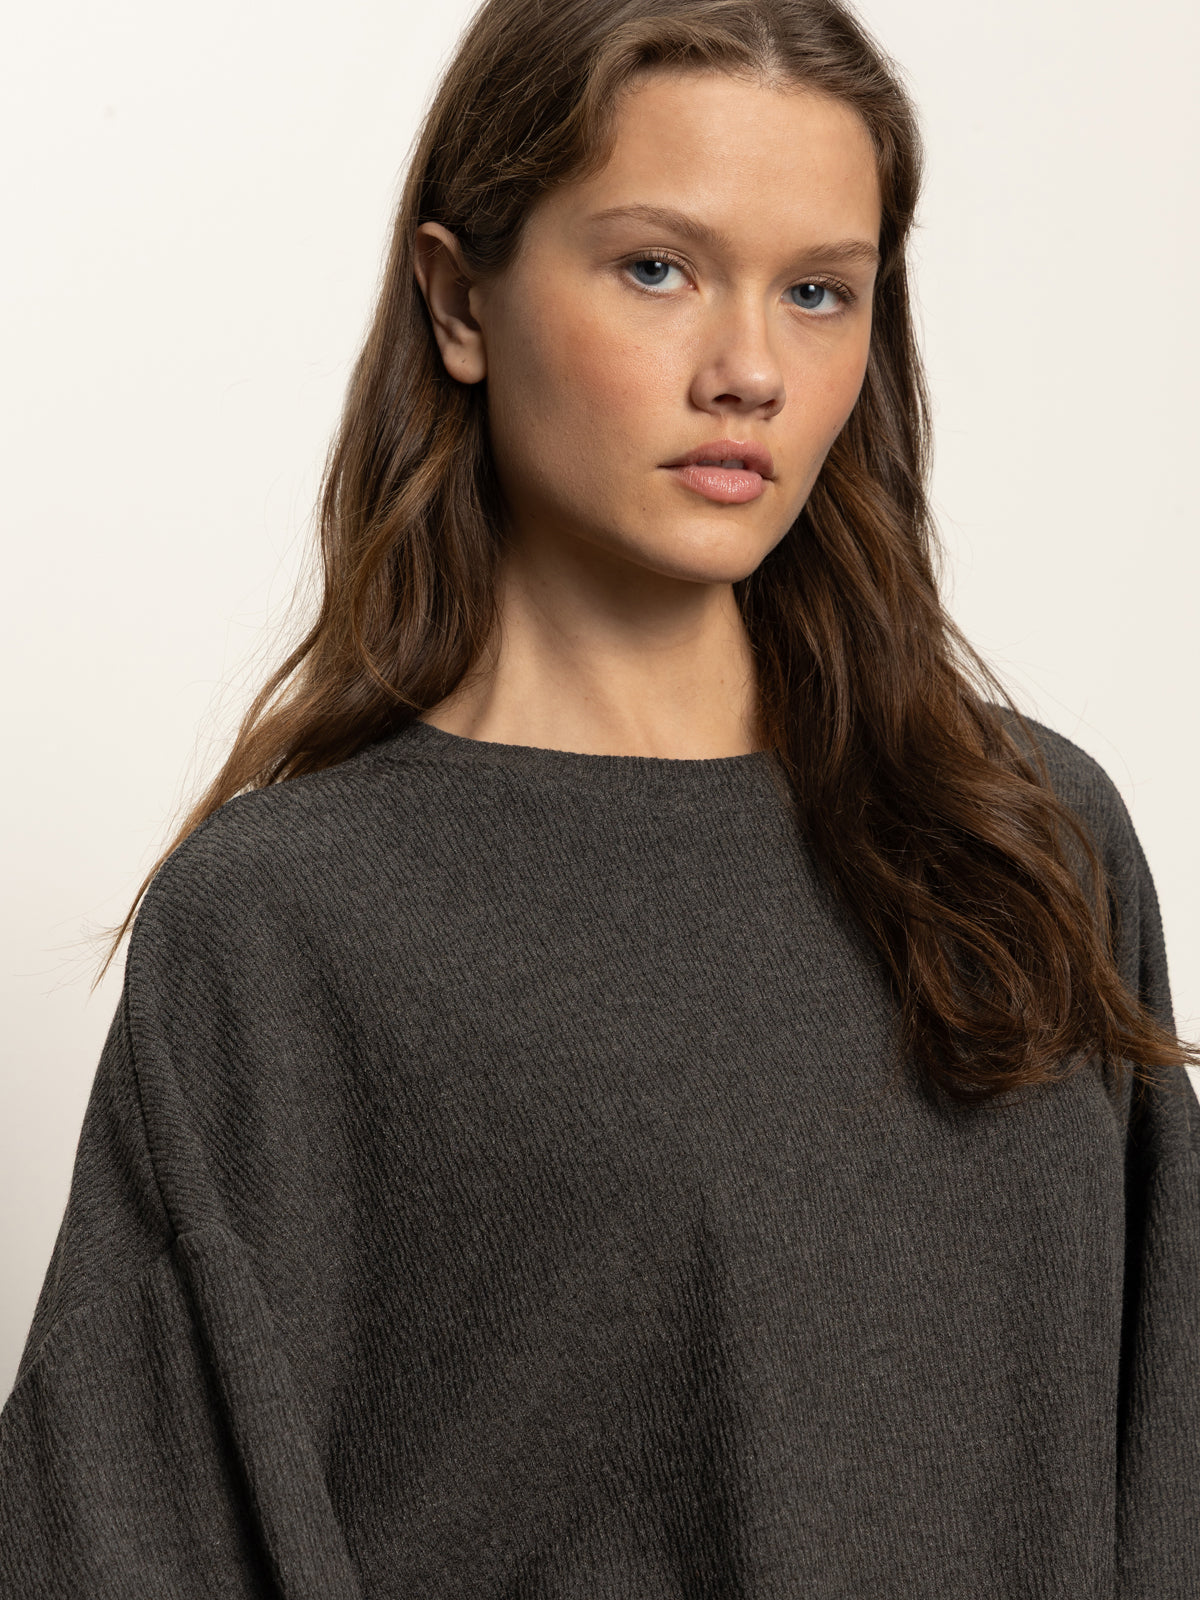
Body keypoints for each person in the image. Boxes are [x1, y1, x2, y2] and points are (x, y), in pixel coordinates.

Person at [2, 0, 1197, 1592]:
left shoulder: (1029, 836)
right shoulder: (290, 925)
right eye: (658, 268)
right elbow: (123, 1543)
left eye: (820, 292)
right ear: (460, 297)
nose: (751, 371)